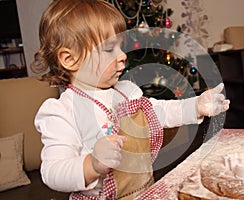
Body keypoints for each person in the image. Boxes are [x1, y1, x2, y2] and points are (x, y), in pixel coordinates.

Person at [33, 0, 230, 199]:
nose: (122, 56)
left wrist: (196, 106)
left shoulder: (126, 92)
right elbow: (53, 172)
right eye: (110, 49)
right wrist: (91, 164)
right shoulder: (62, 111)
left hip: (145, 191)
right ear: (70, 59)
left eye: (121, 47)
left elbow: (161, 112)